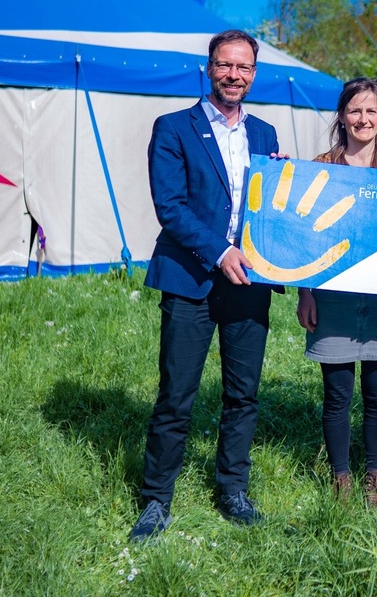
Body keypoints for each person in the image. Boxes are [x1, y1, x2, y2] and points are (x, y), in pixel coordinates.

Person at [130, 29, 283, 541]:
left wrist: (281, 185)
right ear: (209, 67)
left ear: (254, 73)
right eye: (225, 65)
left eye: (243, 67)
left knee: (243, 395)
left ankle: (233, 490)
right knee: (177, 394)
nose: (233, 75)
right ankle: (156, 500)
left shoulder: (264, 135)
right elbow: (169, 206)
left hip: (248, 281)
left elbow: (269, 206)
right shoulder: (173, 127)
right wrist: (219, 251)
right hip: (191, 275)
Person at [296, 77, 377, 508]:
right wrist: (306, 293)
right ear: (342, 116)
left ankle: (375, 479)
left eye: (371, 111)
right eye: (355, 110)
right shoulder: (320, 165)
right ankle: (341, 478)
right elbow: (304, 234)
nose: (363, 119)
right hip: (334, 297)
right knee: (338, 395)